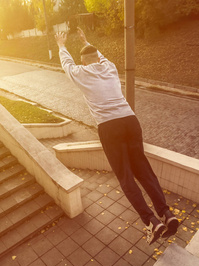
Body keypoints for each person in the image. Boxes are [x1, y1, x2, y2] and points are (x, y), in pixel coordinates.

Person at [55, 28, 179, 245]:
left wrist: (61, 45)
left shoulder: (80, 73)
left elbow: (66, 64)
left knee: (125, 176)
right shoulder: (109, 67)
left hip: (109, 128)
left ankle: (151, 221)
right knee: (143, 169)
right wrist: (86, 40)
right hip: (130, 121)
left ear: (84, 62)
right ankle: (166, 214)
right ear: (98, 59)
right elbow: (99, 55)